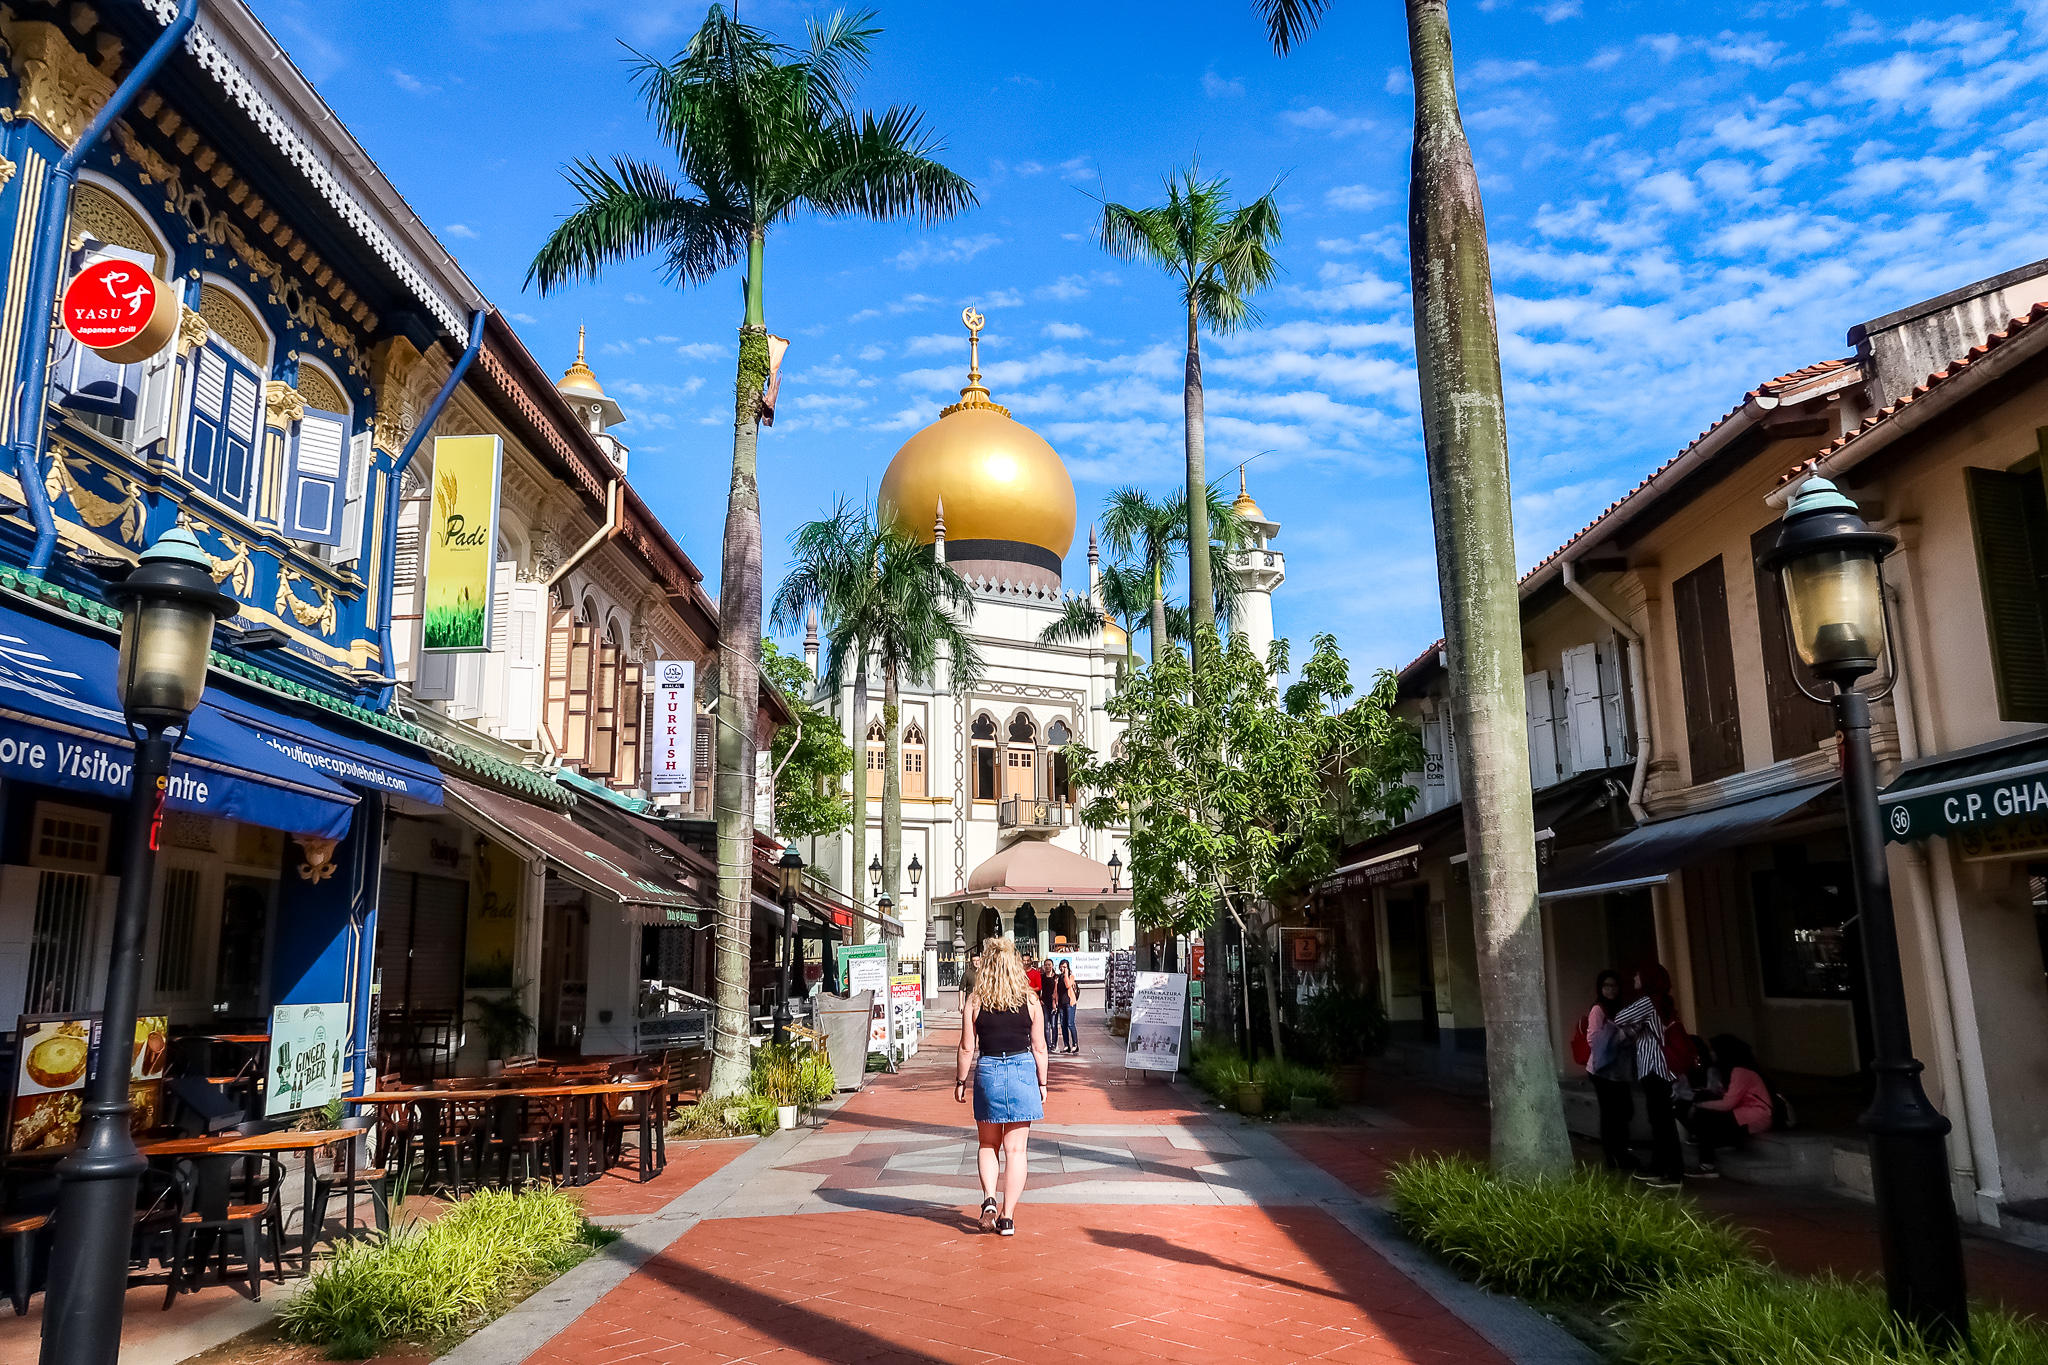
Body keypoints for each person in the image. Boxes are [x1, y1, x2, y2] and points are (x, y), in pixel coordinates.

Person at [955, 937, 1049, 1236]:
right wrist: (1043, 1082)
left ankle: (989, 1201)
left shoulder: (975, 1000)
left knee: (987, 1144)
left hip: (989, 1070)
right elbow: (1040, 1047)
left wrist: (960, 1081)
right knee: (1016, 1150)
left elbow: (967, 1047)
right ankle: (1007, 1218)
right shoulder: (1030, 1000)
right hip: (1022, 1069)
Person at [1611, 963, 1691, 1188]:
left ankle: (1673, 1173)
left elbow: (1620, 1018)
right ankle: (1660, 1167)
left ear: (1648, 979)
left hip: (1654, 1067)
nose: (1635, 978)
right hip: (1661, 1068)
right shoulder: (1661, 1002)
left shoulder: (1648, 1002)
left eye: (1638, 975)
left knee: (1661, 1120)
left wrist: (1631, 1025)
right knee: (1659, 1120)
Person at [1680, 1035, 1773, 1176]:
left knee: (1703, 1116)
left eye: (1713, 1050)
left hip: (1755, 1116)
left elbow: (1727, 1104)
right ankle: (1718, 1143)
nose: (1711, 1053)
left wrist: (1699, 1105)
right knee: (1703, 1112)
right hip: (1744, 1113)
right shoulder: (1734, 1070)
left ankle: (1707, 1165)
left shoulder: (1741, 1071)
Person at [1582, 970, 1635, 1171]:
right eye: (1606, 986)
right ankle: (1613, 1157)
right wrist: (1621, 1036)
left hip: (1619, 1070)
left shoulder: (1622, 1008)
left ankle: (1620, 1153)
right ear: (1600, 988)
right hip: (1603, 1070)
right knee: (1611, 1114)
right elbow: (1593, 1039)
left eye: (1614, 985)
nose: (1611, 989)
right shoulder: (1599, 1009)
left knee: (1623, 1111)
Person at [1039, 952, 1062, 1051]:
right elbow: (1040, 989)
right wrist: (1040, 999)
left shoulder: (1056, 977)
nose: (1047, 967)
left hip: (1053, 1003)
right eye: (1046, 965)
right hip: (1045, 1003)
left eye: (1049, 965)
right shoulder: (1042, 977)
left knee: (1054, 1025)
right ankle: (1048, 1044)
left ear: (1052, 966)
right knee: (1046, 1025)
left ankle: (1054, 1044)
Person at [1058, 959, 1080, 1054]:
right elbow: (1056, 991)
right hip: (1061, 1004)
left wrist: (1066, 974)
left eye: (1065, 967)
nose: (1063, 969)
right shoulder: (1058, 978)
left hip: (1069, 1003)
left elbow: (1067, 985)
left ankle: (1075, 1044)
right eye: (1061, 967)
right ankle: (1066, 1045)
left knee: (1070, 1023)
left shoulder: (1071, 977)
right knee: (1063, 1025)